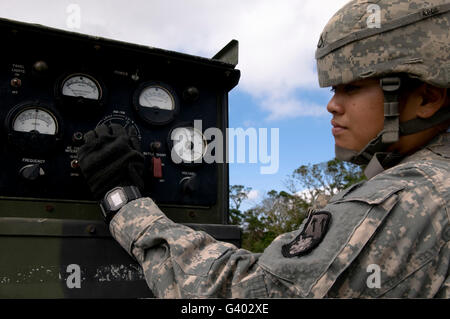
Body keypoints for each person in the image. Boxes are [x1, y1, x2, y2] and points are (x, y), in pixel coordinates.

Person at [77, 0, 450, 298]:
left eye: (351, 88)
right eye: (333, 90)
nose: (332, 105)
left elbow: (250, 294)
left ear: (427, 98)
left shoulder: (413, 195)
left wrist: (126, 206)